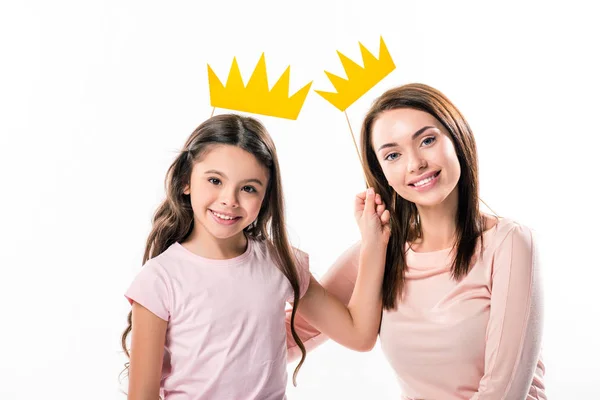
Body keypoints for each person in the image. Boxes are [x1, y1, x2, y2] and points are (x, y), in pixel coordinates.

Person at [287, 83, 546, 400]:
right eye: (393, 154)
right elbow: (291, 334)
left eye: (427, 140)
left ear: (457, 138)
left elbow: (502, 392)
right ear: (381, 172)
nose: (415, 164)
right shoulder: (378, 251)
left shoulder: (508, 244)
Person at [120, 113, 390, 400]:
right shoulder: (160, 279)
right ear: (186, 181)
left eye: (248, 188)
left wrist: (374, 242)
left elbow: (359, 335)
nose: (229, 199)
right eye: (214, 180)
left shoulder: (279, 263)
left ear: (265, 196)